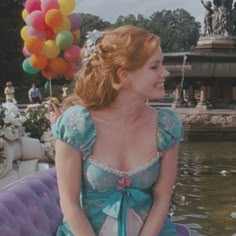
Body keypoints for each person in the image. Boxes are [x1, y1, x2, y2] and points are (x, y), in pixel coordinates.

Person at [52, 25, 184, 236]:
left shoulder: (166, 127)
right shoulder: (76, 125)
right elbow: (70, 204)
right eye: (154, 67)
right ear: (124, 75)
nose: (165, 73)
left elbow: (162, 198)